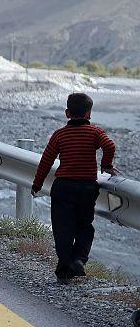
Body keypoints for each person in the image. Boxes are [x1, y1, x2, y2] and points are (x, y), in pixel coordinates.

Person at [31, 93, 118, 284]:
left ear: (67, 113)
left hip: (63, 187)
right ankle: (79, 259)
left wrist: (37, 184)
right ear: (89, 114)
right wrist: (106, 165)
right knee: (84, 226)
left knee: (62, 229)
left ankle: (64, 269)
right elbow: (110, 146)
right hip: (87, 187)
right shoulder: (95, 132)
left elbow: (46, 161)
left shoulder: (60, 134)